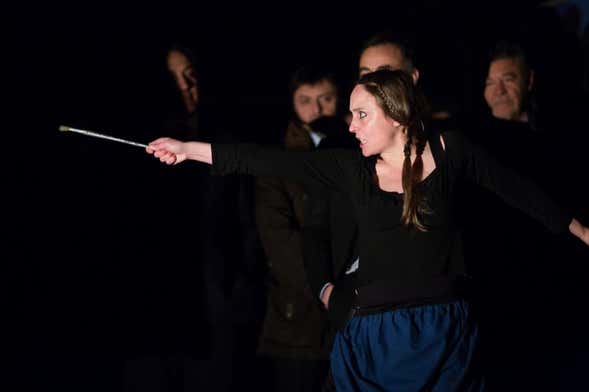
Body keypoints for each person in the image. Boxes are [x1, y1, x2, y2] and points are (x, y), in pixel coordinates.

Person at [146, 69, 588, 391]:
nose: (351, 125)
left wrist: (582, 231)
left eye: (362, 115)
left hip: (442, 332)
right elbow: (266, 160)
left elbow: (520, 192)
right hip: (374, 338)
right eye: (352, 115)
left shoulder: (451, 151)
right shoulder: (350, 168)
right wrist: (187, 149)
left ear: (395, 116)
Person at [253, 65, 347, 392]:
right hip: (299, 323)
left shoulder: (360, 151)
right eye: (305, 100)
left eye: (326, 98)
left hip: (356, 319)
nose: (316, 109)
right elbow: (280, 243)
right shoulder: (278, 163)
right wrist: (328, 289)